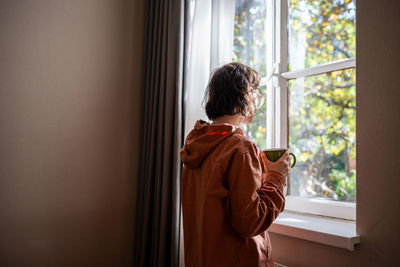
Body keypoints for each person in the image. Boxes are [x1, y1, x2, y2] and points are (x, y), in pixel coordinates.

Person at [180, 62, 292, 267]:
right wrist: (277, 177)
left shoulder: (196, 145)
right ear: (245, 96)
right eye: (256, 92)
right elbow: (251, 222)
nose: (258, 100)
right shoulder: (239, 147)